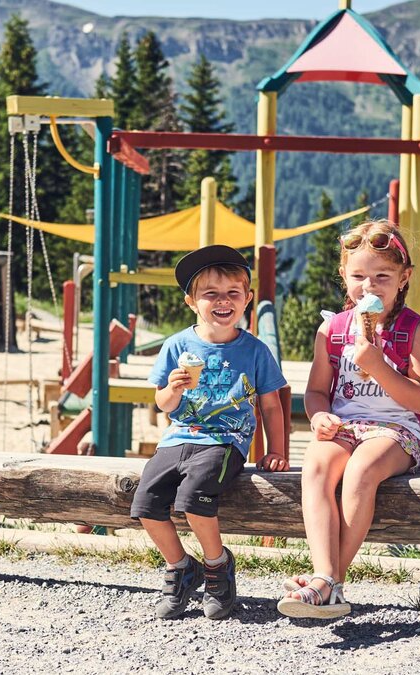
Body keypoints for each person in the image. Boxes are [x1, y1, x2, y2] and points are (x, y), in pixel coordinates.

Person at [277, 219, 420, 619]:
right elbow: (315, 392)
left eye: (382, 276)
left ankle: (327, 582)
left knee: (361, 471)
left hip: (399, 431)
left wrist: (376, 364)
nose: (370, 287)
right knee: (315, 466)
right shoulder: (332, 329)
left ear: (404, 279)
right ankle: (326, 578)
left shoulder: (414, 330)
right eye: (359, 276)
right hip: (347, 425)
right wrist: (319, 417)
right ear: (344, 277)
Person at [131, 244, 289, 620]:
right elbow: (163, 404)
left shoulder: (255, 350)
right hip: (178, 437)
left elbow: (271, 404)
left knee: (192, 497)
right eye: (210, 294)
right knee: (145, 503)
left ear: (247, 299)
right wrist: (173, 388)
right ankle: (181, 566)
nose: (223, 301)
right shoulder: (177, 345)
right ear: (191, 301)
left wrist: (278, 450)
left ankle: (217, 566)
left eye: (233, 293)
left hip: (225, 441)